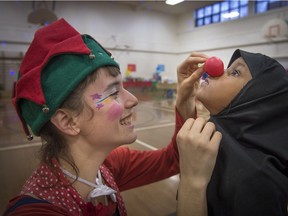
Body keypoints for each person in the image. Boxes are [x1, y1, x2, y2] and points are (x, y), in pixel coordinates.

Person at [3, 18, 221, 216]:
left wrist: (184, 101)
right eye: (113, 92)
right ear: (68, 121)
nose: (133, 100)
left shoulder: (107, 167)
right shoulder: (36, 211)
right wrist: (192, 185)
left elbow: (173, 159)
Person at [177, 49, 288, 216]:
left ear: (253, 97)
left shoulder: (257, 183)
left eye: (234, 72)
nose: (216, 71)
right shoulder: (219, 135)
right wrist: (184, 99)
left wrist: (192, 183)